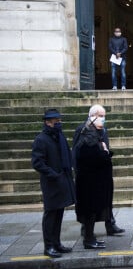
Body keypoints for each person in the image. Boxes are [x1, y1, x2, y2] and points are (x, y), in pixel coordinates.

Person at [74, 106, 125, 238]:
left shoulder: (103, 129)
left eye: (104, 116)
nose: (103, 119)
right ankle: (86, 229)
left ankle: (110, 224)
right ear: (93, 115)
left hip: (103, 170)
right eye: (101, 116)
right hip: (89, 173)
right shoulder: (83, 129)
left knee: (107, 198)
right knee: (89, 203)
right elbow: (77, 151)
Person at [31, 109, 76, 258]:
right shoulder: (41, 139)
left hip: (62, 180)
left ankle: (57, 243)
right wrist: (53, 174)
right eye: (56, 121)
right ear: (48, 122)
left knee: (59, 213)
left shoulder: (59, 136)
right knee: (50, 215)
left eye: (59, 120)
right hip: (51, 183)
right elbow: (37, 163)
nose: (59, 123)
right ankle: (48, 246)